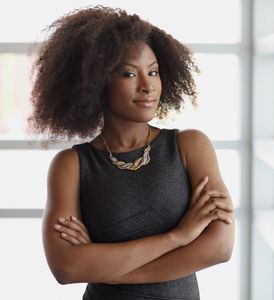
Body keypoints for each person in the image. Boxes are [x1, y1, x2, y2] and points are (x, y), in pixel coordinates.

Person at [29, 6, 235, 300]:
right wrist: (179, 237)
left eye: (153, 72)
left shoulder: (190, 146)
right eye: (128, 73)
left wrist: (105, 267)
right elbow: (67, 268)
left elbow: (219, 248)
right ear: (95, 82)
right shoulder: (71, 165)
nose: (147, 86)